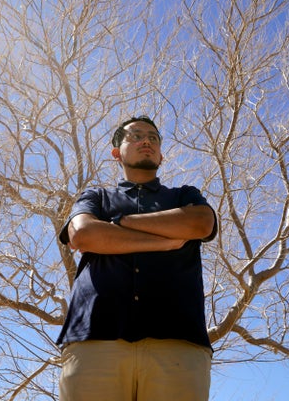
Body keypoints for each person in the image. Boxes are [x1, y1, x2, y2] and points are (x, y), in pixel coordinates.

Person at [57, 115, 217, 401]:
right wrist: (166, 242)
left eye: (153, 138)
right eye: (136, 135)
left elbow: (201, 224)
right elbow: (82, 234)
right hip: (94, 340)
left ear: (161, 155)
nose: (146, 141)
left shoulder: (185, 196)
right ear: (116, 152)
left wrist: (120, 223)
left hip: (178, 343)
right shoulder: (95, 196)